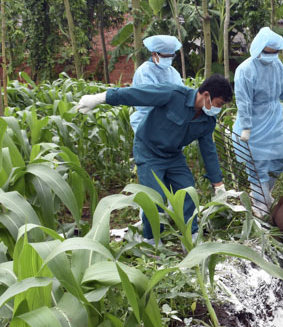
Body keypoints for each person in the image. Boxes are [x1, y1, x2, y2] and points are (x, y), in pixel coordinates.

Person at [75, 75, 233, 245]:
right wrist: (101, 98)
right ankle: (151, 240)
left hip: (174, 155)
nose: (218, 109)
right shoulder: (173, 94)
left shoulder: (207, 120)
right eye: (219, 104)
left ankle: (191, 237)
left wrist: (218, 184)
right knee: (154, 197)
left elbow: (208, 150)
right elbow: (136, 94)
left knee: (188, 192)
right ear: (207, 95)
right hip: (148, 151)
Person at [232, 27, 283, 214]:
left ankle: (263, 194)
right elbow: (243, 100)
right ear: (258, 49)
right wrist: (246, 127)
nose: (271, 56)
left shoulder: (277, 66)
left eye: (275, 53)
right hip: (254, 122)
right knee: (258, 165)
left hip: (273, 120)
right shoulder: (245, 70)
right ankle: (260, 206)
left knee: (280, 159)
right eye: (268, 53)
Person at [130, 35, 185, 133]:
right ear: (154, 53)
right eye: (165, 57)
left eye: (171, 56)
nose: (168, 59)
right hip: (147, 122)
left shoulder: (173, 72)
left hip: (170, 124)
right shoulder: (144, 71)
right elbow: (152, 98)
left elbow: (183, 94)